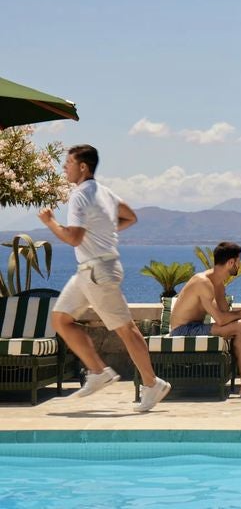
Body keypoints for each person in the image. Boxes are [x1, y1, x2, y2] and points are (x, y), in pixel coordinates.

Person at [38, 144, 172, 412]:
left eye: (68, 163)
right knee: (61, 319)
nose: (64, 167)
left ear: (83, 167)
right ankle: (98, 370)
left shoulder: (79, 196)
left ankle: (152, 382)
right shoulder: (106, 193)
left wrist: (50, 222)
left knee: (126, 328)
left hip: (98, 271)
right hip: (89, 270)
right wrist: (105, 232)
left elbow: (73, 237)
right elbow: (130, 217)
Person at [172, 242, 241, 397]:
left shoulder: (218, 284)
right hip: (183, 331)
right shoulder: (202, 282)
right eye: (239, 261)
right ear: (231, 262)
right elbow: (221, 320)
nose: (239, 265)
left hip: (196, 327)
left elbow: (225, 314)